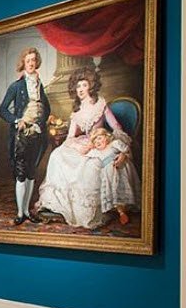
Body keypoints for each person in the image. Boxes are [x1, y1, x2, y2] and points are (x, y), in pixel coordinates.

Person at [35, 67, 135, 229]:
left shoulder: (100, 104)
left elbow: (116, 127)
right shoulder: (77, 111)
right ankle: (56, 204)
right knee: (57, 155)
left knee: (89, 165)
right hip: (83, 142)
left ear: (91, 86)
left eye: (84, 85)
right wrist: (78, 146)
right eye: (78, 86)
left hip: (99, 142)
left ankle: (90, 210)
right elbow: (70, 137)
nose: (80, 89)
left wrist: (115, 145)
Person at [0, 47, 51, 225]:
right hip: (21, 136)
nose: (31, 63)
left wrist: (40, 123)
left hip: (37, 134)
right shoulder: (17, 86)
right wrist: (17, 120)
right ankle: (20, 213)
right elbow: (3, 110)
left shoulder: (40, 85)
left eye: (33, 60)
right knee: (21, 174)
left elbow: (47, 108)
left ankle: (27, 211)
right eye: (28, 61)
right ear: (23, 63)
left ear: (37, 63)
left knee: (31, 173)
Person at [84, 128, 140, 225]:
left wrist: (122, 156)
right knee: (113, 191)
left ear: (107, 137)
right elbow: (85, 157)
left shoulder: (114, 144)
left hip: (121, 171)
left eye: (99, 138)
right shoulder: (96, 152)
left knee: (121, 188)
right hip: (108, 175)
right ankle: (121, 212)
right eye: (95, 141)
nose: (97, 142)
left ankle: (125, 210)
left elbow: (127, 151)